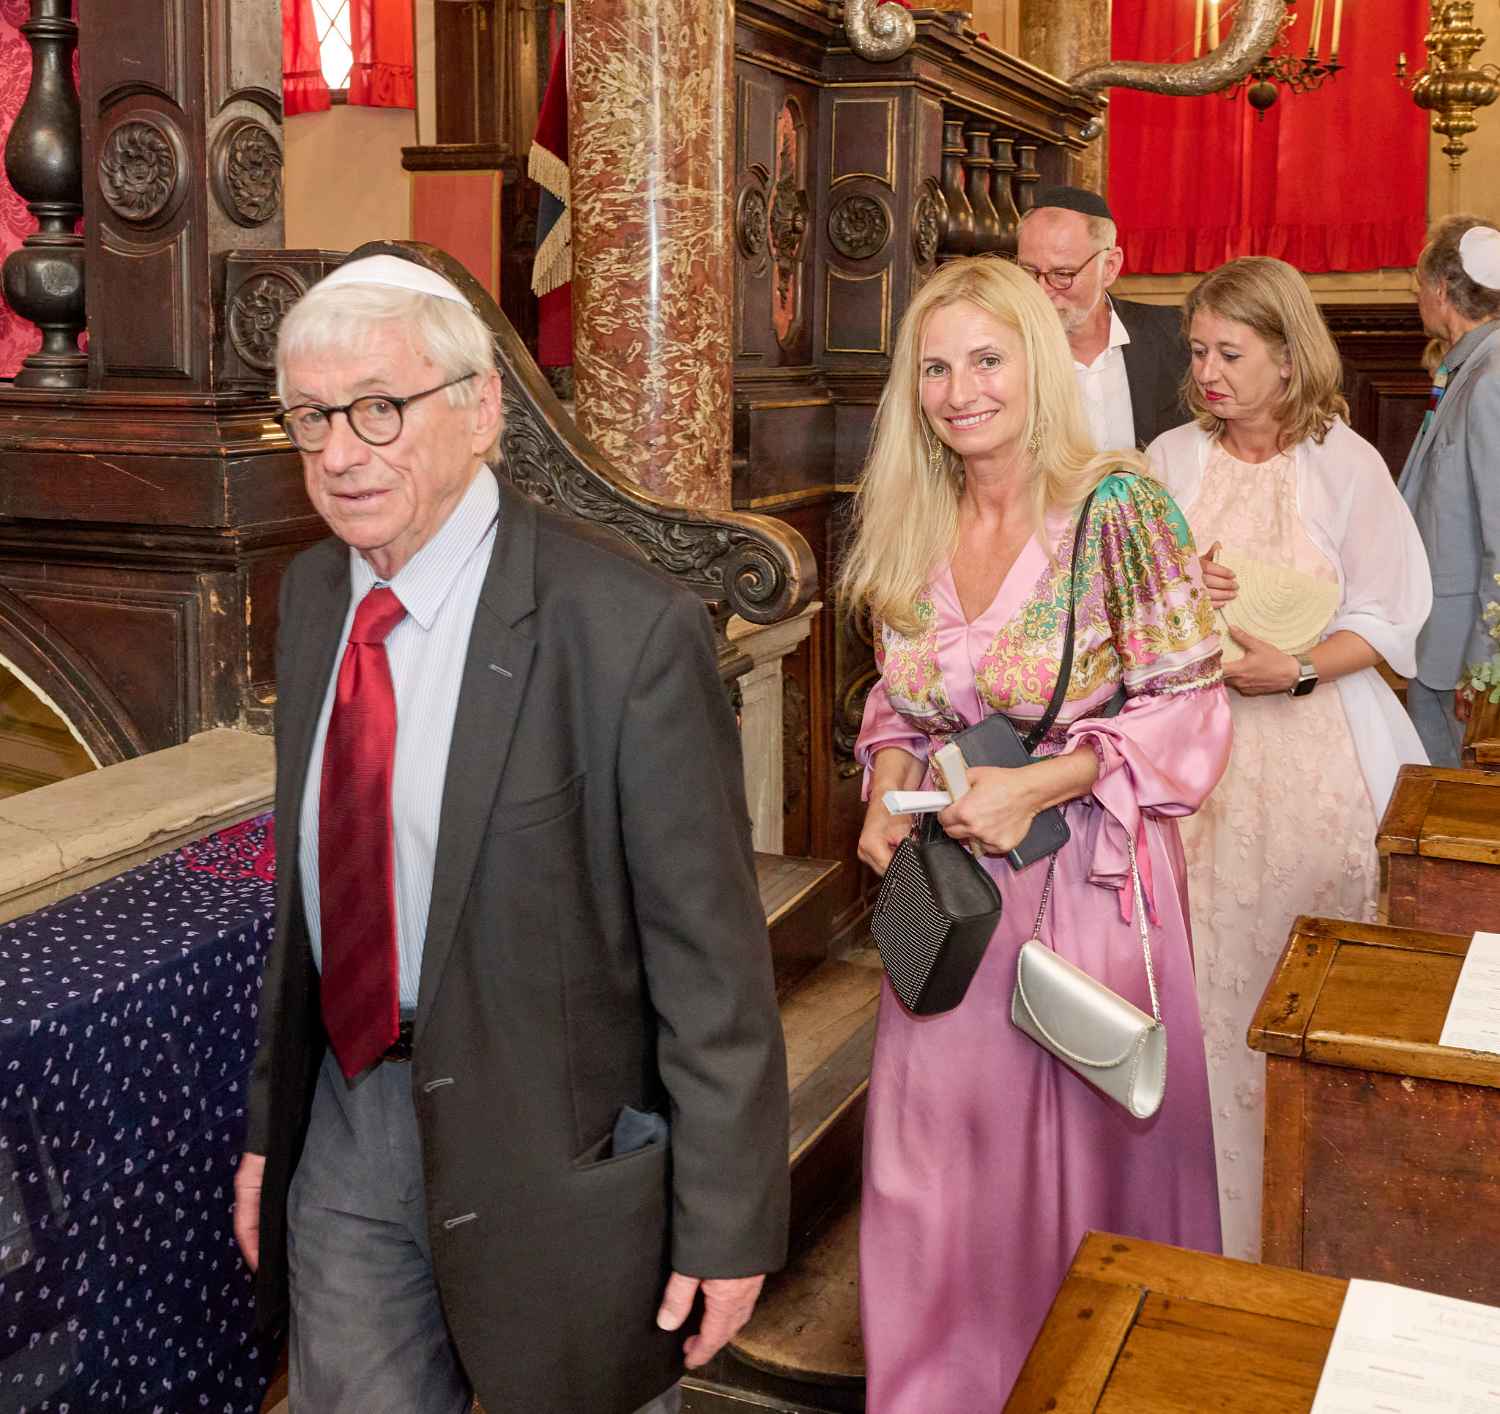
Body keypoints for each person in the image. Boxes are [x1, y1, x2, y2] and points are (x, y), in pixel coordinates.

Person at [230, 254, 789, 1414]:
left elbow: (710, 962)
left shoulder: (624, 629)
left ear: (481, 409)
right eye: (312, 418)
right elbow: (312, 911)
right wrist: (270, 1135)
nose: (340, 453)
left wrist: (728, 1221)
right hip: (352, 1124)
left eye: (379, 408)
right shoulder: (315, 598)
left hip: (554, 1144)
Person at [844, 254, 1229, 1411]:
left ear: (1039, 364)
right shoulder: (911, 517)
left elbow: (1191, 706)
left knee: (1083, 1178)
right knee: (933, 1175)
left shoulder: (1116, 509)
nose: (960, 391)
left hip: (1085, 891)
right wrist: (888, 775)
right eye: (935, 369)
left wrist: (1045, 781)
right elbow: (904, 700)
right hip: (951, 904)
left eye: (987, 359)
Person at [1148, 256, 1431, 1261]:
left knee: (1298, 972)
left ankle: (1316, 1228)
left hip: (1315, 757)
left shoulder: (1344, 465)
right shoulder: (1169, 458)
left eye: (1231, 353)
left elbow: (1391, 618)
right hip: (1195, 763)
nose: (1208, 372)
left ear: (1287, 356)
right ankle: (1196, 1222)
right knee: (1197, 980)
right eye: (1197, 351)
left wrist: (1299, 668)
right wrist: (1183, 587)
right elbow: (1125, 611)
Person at [1400, 216, 1500, 767]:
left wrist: (1486, 669)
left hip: (1463, 657)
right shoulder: (1468, 367)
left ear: (1441, 289)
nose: (1416, 296)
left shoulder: (1492, 378)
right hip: (1442, 645)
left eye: (1417, 284)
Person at [1016, 185, 1190, 451]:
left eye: (1062, 274)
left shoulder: (1177, 337)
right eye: (1029, 272)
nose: (1041, 291)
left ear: (1110, 267)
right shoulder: (1006, 350)